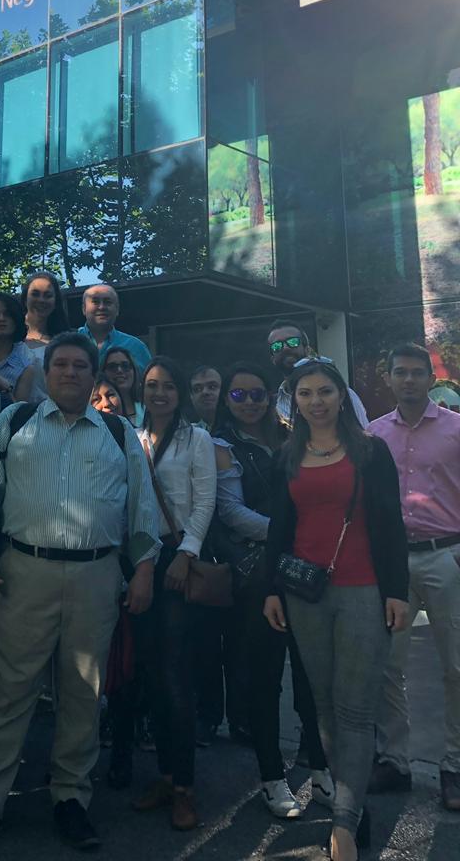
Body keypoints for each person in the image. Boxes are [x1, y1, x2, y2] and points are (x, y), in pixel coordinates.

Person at [0, 333, 160, 854]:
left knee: (83, 694)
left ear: (94, 377)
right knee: (11, 691)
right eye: (60, 364)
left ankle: (71, 799)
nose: (69, 372)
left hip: (97, 575)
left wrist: (146, 569)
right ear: (46, 373)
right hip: (25, 571)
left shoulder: (117, 431)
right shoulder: (15, 421)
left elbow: (142, 504)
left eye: (80, 365)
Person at [263, 360, 409, 861]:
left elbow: (391, 524)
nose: (316, 401)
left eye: (325, 391)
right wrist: (270, 591)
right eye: (305, 393)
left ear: (342, 396)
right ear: (295, 401)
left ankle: (344, 821)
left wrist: (397, 591)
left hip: (364, 591)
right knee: (323, 709)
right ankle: (351, 802)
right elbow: (278, 532)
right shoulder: (286, 456)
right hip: (306, 596)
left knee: (356, 708)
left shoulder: (371, 452)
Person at [210, 362, 332, 818]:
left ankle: (320, 769)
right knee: (264, 678)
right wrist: (291, 533)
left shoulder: (292, 438)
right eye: (239, 395)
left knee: (310, 676)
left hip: (305, 575)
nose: (249, 402)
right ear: (227, 400)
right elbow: (232, 513)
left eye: (257, 394)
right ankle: (271, 777)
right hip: (261, 577)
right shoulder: (221, 446)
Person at [368, 343, 460, 811]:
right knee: (388, 665)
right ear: (388, 378)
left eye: (416, 373)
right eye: (399, 372)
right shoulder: (372, 435)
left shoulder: (457, 430)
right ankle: (394, 761)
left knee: (457, 666)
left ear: (431, 379)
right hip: (391, 562)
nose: (408, 380)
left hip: (447, 556)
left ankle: (455, 765)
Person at [131, 357, 217, 831]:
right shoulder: (131, 434)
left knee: (175, 676)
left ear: (180, 392)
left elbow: (205, 502)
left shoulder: (195, 438)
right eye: (151, 385)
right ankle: (164, 775)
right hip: (140, 561)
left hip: (177, 560)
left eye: (167, 386)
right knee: (150, 673)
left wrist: (187, 552)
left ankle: (185, 787)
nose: (158, 393)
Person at [266, 322, 368, 428]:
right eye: (277, 346)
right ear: (273, 359)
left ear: (308, 350)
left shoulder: (342, 394)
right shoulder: (272, 406)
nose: (286, 348)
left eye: (293, 342)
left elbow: (363, 436)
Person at [78, 284, 151, 372]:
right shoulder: (69, 342)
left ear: (117, 310)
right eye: (96, 302)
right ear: (83, 309)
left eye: (107, 302)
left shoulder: (136, 347)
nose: (101, 307)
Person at [0, 293, 38, 401]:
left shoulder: (25, 365)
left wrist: (5, 387)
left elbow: (19, 412)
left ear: (16, 318)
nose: (1, 319)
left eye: (7, 314)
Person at [20, 271, 68, 353]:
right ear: (25, 299)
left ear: (56, 302)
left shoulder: (67, 341)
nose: (41, 300)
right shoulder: (9, 335)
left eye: (48, 295)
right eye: (35, 294)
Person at [102, 348, 144, 430]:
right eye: (112, 367)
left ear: (134, 370)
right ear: (103, 372)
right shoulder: (100, 409)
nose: (119, 370)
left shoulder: (148, 407)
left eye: (125, 366)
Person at [189, 365, 221, 429]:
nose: (205, 392)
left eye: (212, 387)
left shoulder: (243, 429)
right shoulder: (187, 435)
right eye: (197, 389)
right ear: (191, 397)